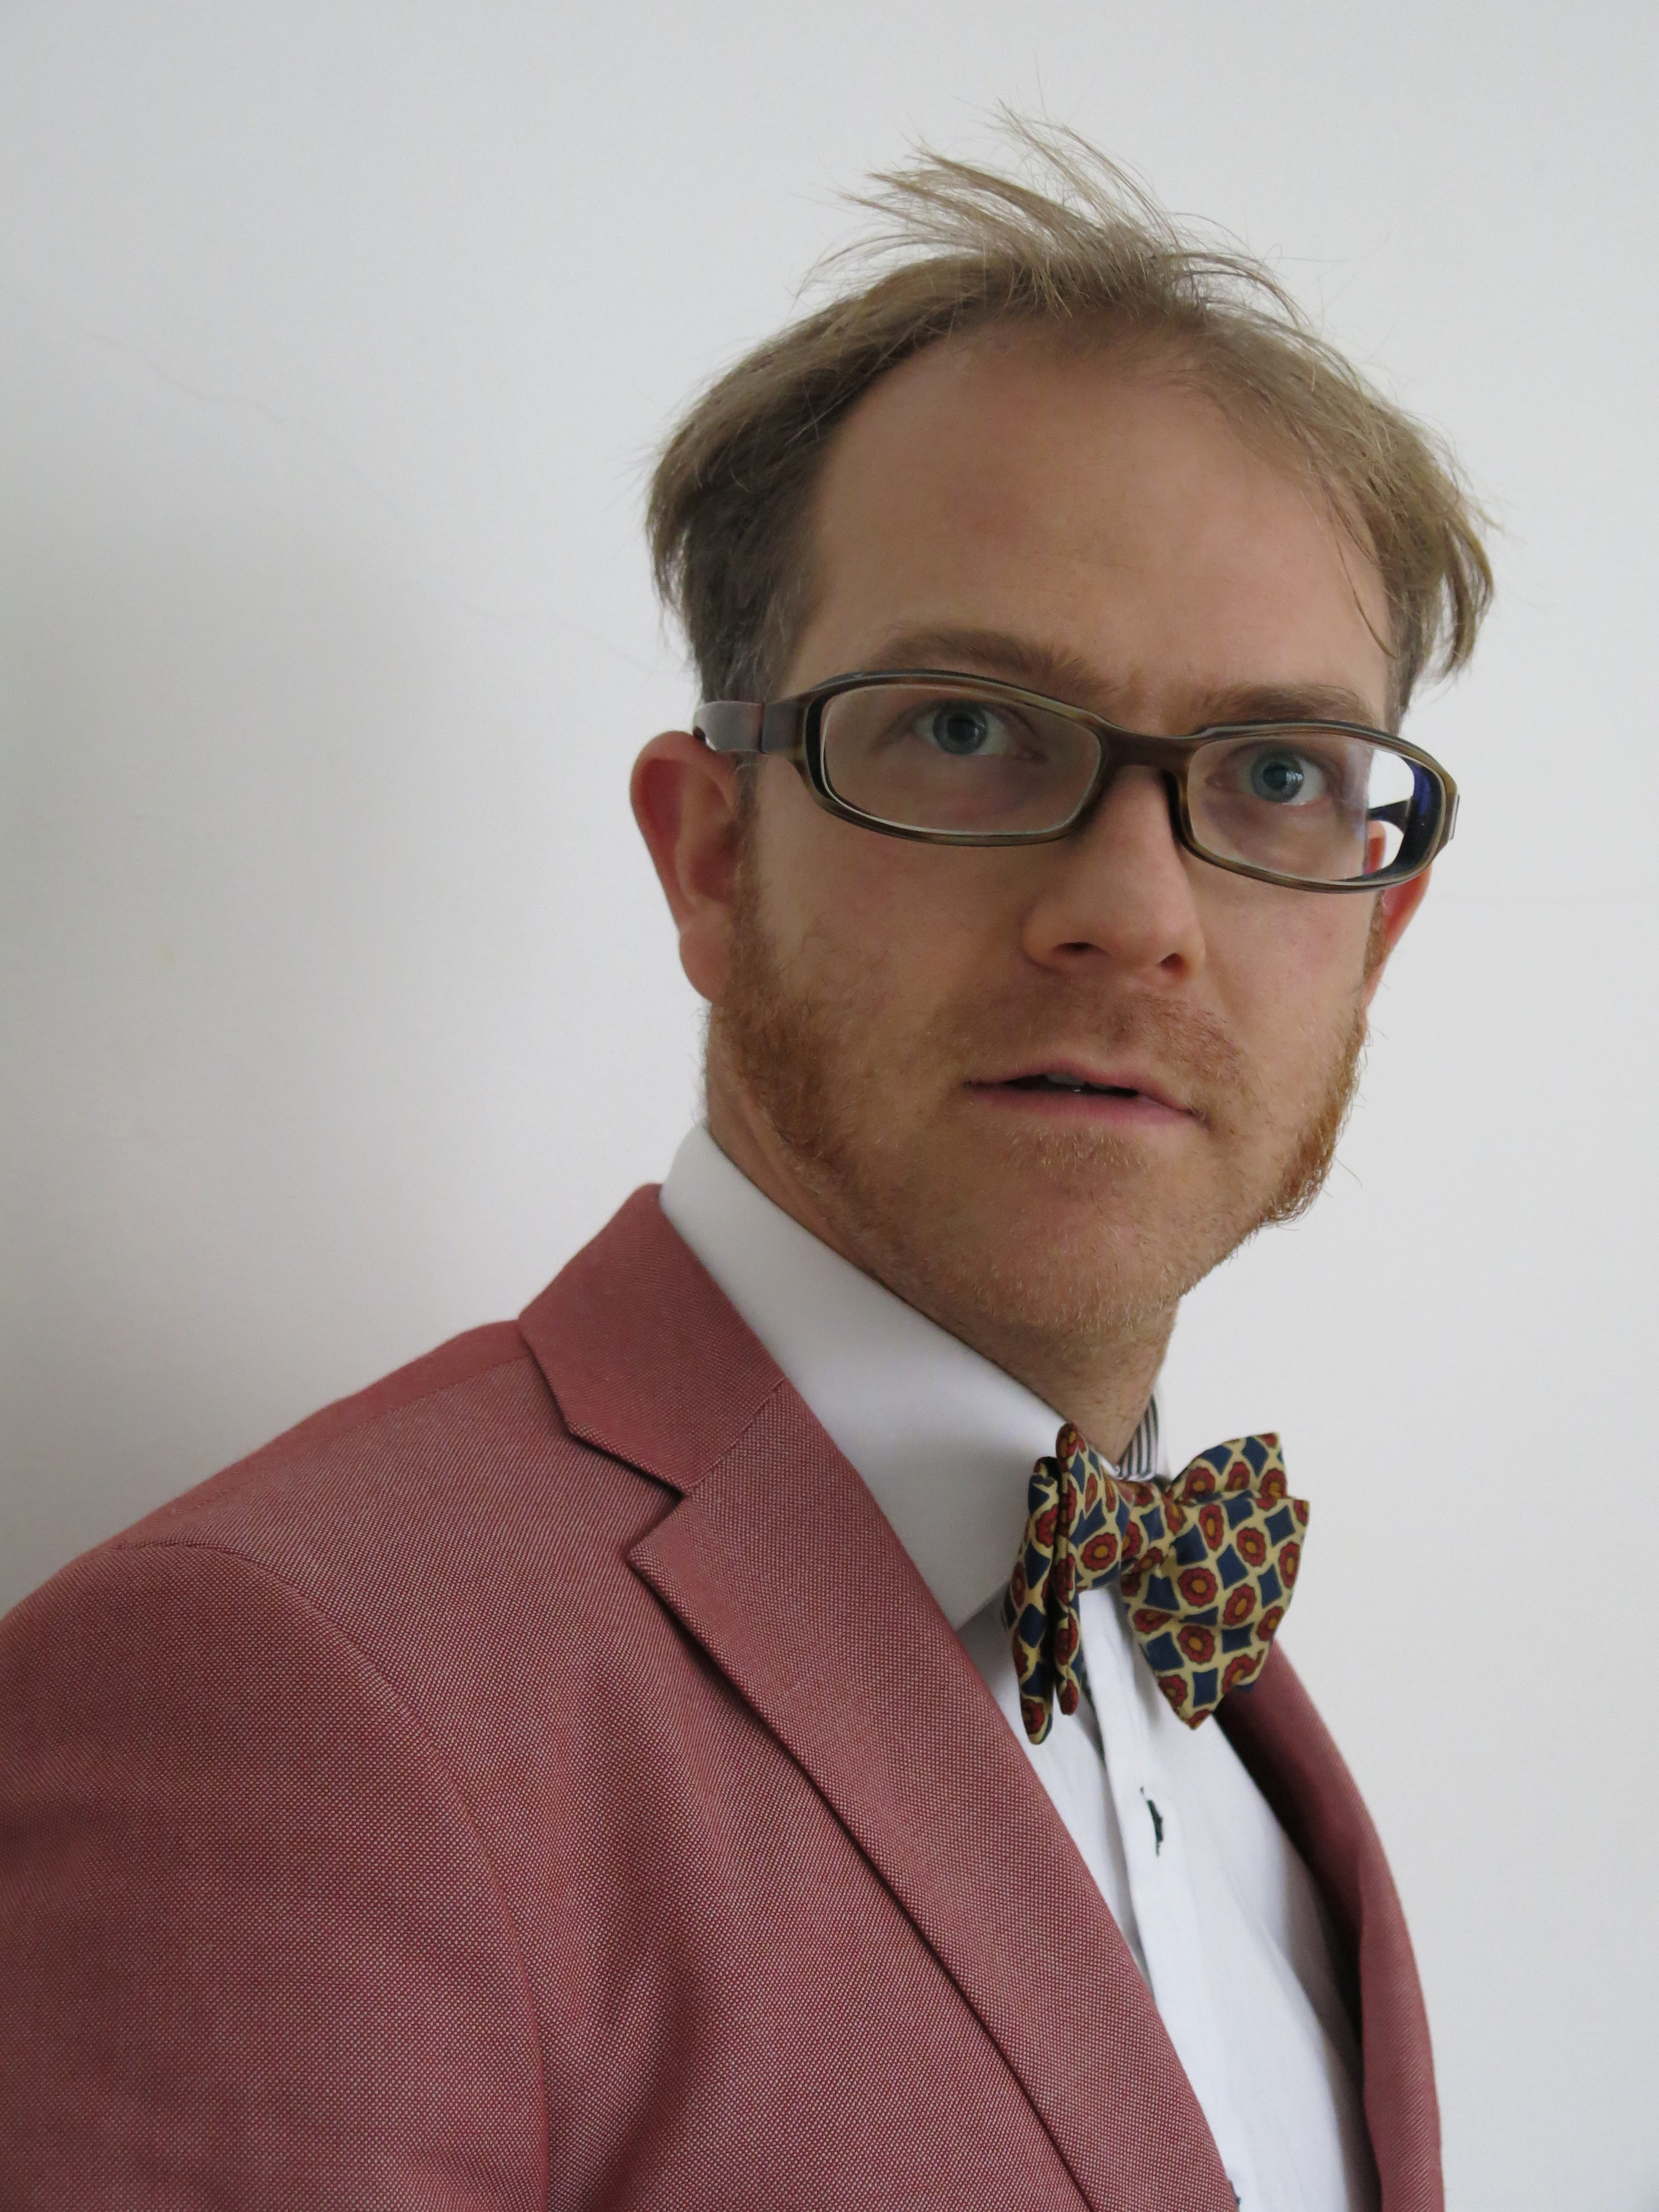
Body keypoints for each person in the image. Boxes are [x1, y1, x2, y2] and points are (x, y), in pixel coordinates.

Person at [0, 127, 1490, 2211]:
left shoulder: (1239, 1724)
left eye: (1272, 774)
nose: (1137, 915)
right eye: (968, 729)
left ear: (1375, 931)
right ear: (713, 856)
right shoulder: (273, 1698)